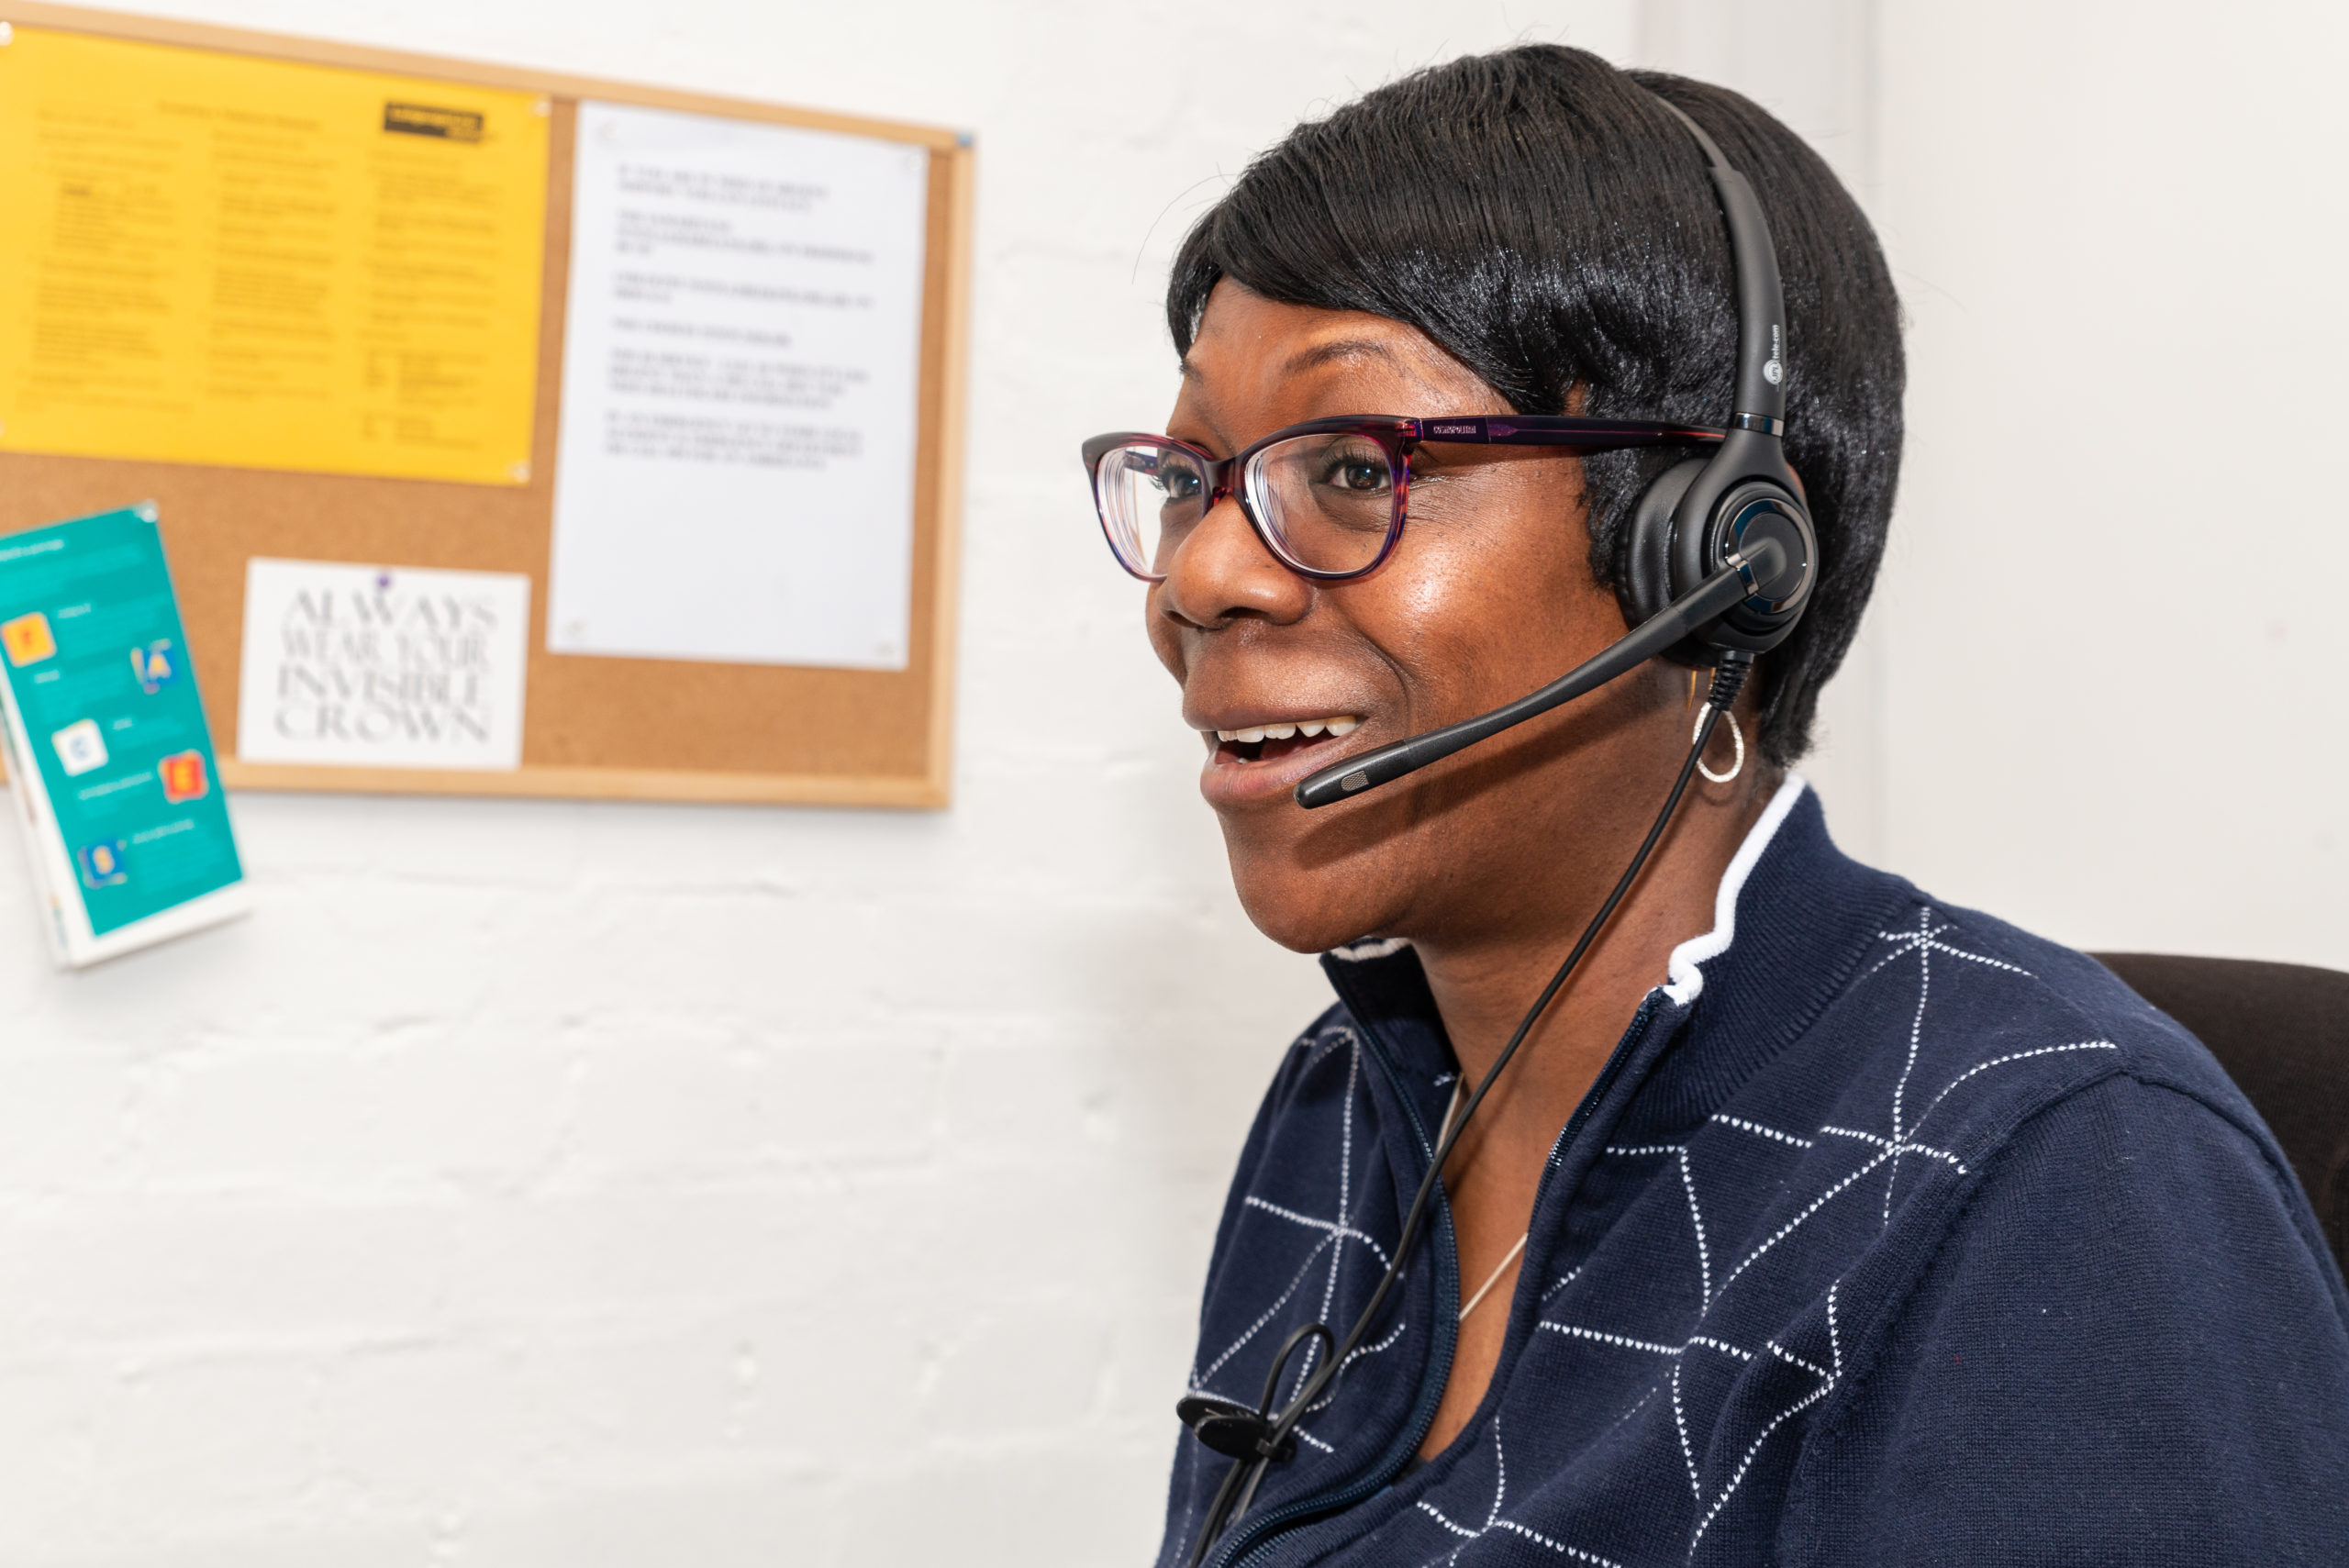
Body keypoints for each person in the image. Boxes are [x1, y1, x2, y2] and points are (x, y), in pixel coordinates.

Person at [1079, 44, 2349, 1568]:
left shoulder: (2060, 1186)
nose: (1198, 576)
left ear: (1715, 562)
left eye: (1353, 464)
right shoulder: (1346, 1098)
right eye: (1195, 481)